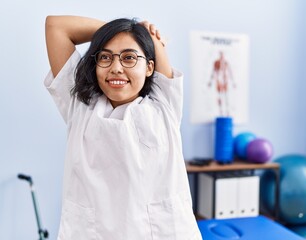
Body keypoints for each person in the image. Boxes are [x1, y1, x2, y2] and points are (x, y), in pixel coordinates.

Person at [45, 15, 202, 240]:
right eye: (105, 57)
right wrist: (123, 30)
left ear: (149, 67)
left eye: (129, 57)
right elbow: (56, 26)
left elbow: (153, 43)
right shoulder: (79, 107)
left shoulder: (164, 103)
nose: (116, 68)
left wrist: (134, 32)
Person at [208, 51, 236, 116]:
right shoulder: (216, 63)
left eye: (222, 55)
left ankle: (227, 111)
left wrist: (233, 82)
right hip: (219, 80)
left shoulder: (226, 63)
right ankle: (221, 111)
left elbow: (230, 72)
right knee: (220, 96)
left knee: (226, 96)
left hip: (224, 81)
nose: (222, 56)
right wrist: (210, 81)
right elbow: (213, 72)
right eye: (221, 55)